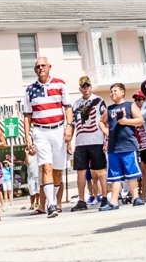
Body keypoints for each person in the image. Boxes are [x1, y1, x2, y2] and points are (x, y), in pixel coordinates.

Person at [22, 56, 72, 218]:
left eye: (43, 65)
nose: (40, 68)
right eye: (37, 67)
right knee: (46, 167)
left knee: (57, 170)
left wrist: (69, 127)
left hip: (58, 130)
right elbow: (27, 115)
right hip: (40, 131)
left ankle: (53, 201)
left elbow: (68, 108)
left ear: (50, 67)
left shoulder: (60, 84)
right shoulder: (30, 90)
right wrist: (27, 138)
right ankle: (50, 205)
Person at [100, 83, 145, 210]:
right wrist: (105, 130)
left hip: (128, 145)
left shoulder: (130, 105)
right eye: (111, 91)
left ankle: (135, 197)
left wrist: (126, 121)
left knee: (132, 173)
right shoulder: (109, 109)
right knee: (115, 176)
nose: (112, 93)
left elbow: (140, 120)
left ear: (122, 92)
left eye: (115, 91)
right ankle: (114, 202)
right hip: (113, 147)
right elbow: (101, 122)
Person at [69, 77, 107, 211]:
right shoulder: (76, 104)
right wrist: (69, 141)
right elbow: (73, 123)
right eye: (83, 87)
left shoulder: (99, 100)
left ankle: (104, 198)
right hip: (80, 141)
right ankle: (81, 200)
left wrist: (106, 139)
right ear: (80, 89)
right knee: (80, 171)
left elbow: (105, 120)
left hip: (96, 139)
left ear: (91, 87)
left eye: (87, 86)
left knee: (100, 170)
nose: (86, 89)